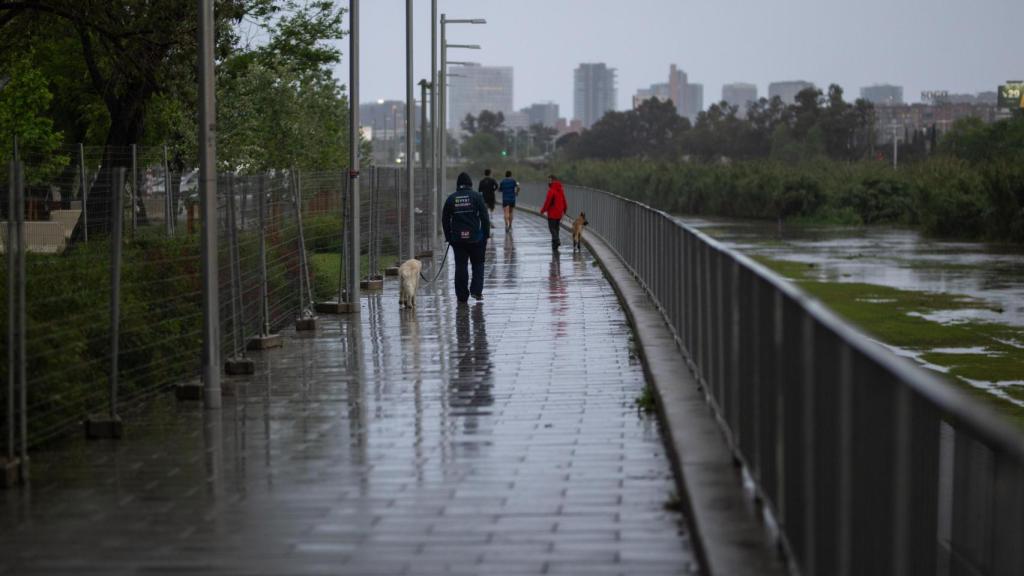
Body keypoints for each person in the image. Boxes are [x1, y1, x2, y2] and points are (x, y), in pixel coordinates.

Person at [442, 172, 491, 303]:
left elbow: (445, 219)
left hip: (458, 239)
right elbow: (485, 217)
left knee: (461, 266)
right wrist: (486, 234)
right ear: (470, 184)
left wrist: (449, 236)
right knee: (478, 265)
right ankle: (476, 291)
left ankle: (462, 296)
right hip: (476, 238)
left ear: (458, 185)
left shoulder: (451, 199)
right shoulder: (477, 197)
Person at [540, 174, 567, 251]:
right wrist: (565, 209)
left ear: (552, 180)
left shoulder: (551, 190)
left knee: (552, 228)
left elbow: (547, 202)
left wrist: (543, 210)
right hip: (559, 212)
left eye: (549, 180)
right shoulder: (560, 189)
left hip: (552, 212)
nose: (548, 182)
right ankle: (554, 244)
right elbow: (564, 200)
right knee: (556, 228)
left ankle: (556, 240)